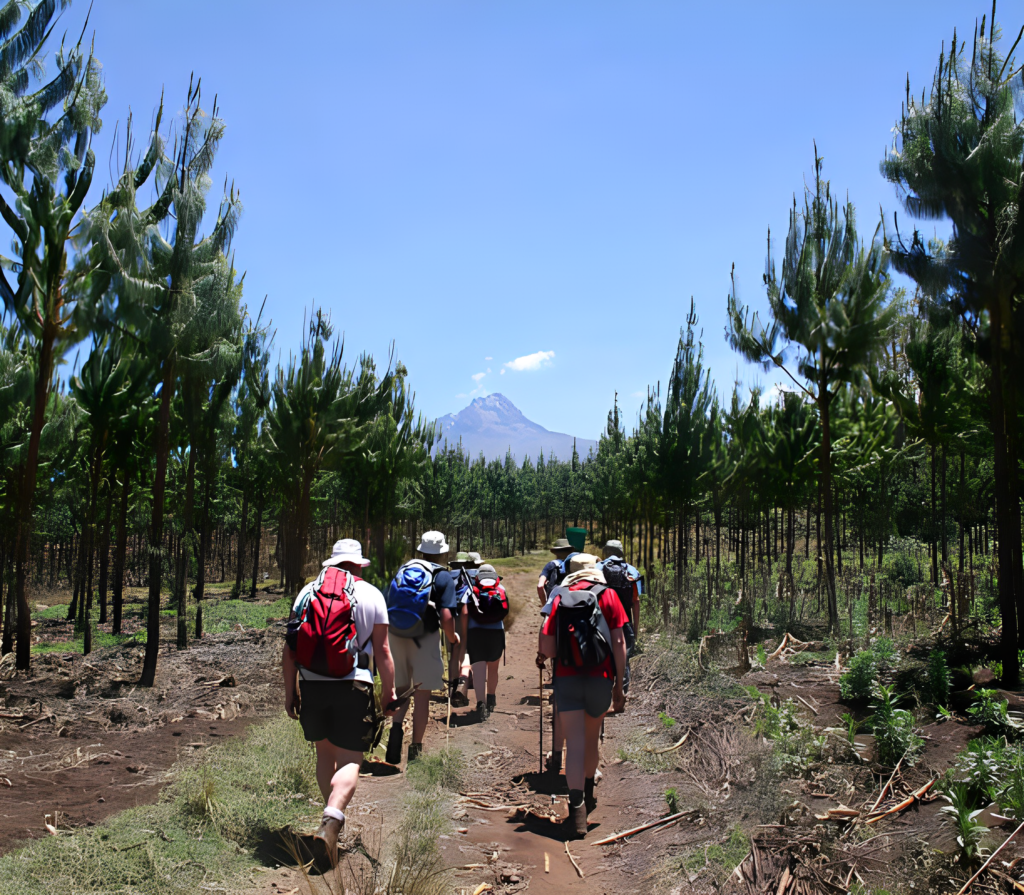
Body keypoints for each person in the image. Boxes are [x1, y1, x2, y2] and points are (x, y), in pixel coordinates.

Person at [282, 539, 396, 864]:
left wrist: (290, 691)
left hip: (313, 685)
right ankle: (332, 818)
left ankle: (330, 820)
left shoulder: (307, 593)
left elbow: (290, 651)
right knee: (351, 760)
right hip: (354, 685)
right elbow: (383, 651)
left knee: (325, 754)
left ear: (331, 564)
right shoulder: (372, 594)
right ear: (358, 564)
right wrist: (388, 693)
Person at [538, 567, 627, 838]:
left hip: (567, 679)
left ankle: (576, 811)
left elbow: (547, 647)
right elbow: (620, 641)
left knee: (574, 745)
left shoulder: (558, 597)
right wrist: (619, 687)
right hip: (600, 678)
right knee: (591, 740)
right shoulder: (609, 595)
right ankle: (589, 795)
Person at [385, 530, 460, 764]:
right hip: (424, 637)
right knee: (422, 695)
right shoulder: (442, 576)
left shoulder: (404, 570)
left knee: (402, 688)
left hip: (396, 634)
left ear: (421, 550)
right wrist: (453, 637)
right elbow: (447, 617)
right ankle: (415, 753)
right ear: (442, 553)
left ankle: (394, 740)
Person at [460, 563, 509, 721]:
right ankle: (492, 698)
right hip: (496, 633)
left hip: (476, 633)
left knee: (478, 670)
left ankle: (481, 704)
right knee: (493, 669)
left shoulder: (471, 588)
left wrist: (464, 633)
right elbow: (505, 611)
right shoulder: (501, 588)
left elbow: (464, 613)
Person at [596, 539, 641, 694]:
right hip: (625, 621)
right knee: (624, 657)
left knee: (601, 655)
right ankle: (622, 693)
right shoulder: (632, 571)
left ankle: (602, 691)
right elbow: (636, 601)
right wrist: (635, 630)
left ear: (606, 552)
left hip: (601, 620)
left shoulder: (597, 568)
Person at [448, 552, 479, 708]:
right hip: (468, 612)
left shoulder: (448, 575)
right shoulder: (475, 574)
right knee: (466, 647)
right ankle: (463, 683)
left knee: (454, 648)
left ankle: (452, 688)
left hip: (450, 613)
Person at [537, 538, 577, 607]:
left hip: (554, 604)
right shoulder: (576, 565)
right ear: (569, 551)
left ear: (555, 552)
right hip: (573, 604)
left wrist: (545, 605)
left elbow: (540, 586)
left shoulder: (551, 565)